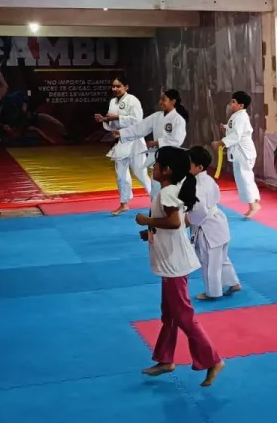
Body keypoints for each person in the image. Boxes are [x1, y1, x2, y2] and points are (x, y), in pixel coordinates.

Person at [134, 146, 225, 387]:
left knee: (184, 316)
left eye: (156, 165)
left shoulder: (168, 193)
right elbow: (180, 222)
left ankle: (213, 359)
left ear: (166, 170)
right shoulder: (173, 190)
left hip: (174, 264)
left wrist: (146, 220)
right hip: (171, 260)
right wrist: (150, 231)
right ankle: (165, 359)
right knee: (170, 313)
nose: (153, 169)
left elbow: (174, 222)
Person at [112, 89, 189, 200]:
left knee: (172, 189)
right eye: (160, 99)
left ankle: (173, 209)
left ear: (173, 101)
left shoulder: (178, 119)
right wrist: (122, 133)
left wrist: (156, 142)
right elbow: (139, 128)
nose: (160, 102)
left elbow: (177, 140)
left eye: (163, 100)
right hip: (159, 157)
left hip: (173, 158)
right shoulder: (156, 116)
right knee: (155, 188)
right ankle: (155, 208)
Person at [187, 146, 241, 300]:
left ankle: (213, 292)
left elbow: (200, 210)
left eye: (188, 164)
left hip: (207, 227)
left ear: (199, 167)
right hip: (218, 222)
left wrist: (187, 221)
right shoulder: (208, 179)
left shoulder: (198, 185)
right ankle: (233, 282)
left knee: (209, 262)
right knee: (221, 258)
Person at [94, 75, 150, 215]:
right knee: (121, 174)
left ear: (126, 87)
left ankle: (158, 200)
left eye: (118, 86)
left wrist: (118, 117)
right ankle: (124, 203)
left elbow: (138, 120)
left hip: (135, 141)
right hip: (122, 141)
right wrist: (104, 120)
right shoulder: (113, 102)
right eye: (113, 86)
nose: (115, 89)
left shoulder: (133, 100)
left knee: (140, 173)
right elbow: (113, 124)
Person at [214, 91, 261, 218]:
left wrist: (221, 143)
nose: (231, 103)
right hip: (240, 153)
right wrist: (226, 127)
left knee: (245, 178)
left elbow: (236, 135)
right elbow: (235, 129)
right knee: (244, 178)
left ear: (241, 105)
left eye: (234, 102)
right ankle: (254, 202)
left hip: (244, 153)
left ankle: (253, 205)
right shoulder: (237, 116)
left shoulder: (241, 117)